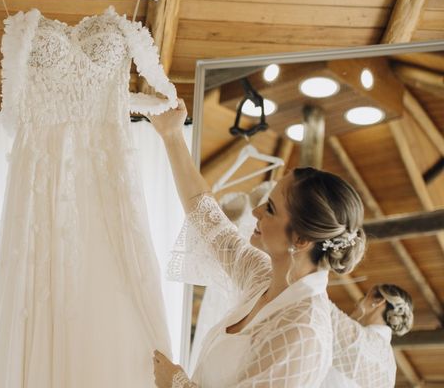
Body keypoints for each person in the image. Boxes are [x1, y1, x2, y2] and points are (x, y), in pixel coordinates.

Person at [149, 99, 367, 388]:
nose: (255, 212)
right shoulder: (263, 276)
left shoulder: (302, 332)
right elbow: (208, 217)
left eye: (271, 209)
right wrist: (172, 135)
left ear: (301, 240)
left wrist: (176, 383)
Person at [322, 284, 414, 387]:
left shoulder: (357, 336)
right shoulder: (391, 367)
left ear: (378, 301)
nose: (357, 303)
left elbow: (320, 303)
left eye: (365, 296)